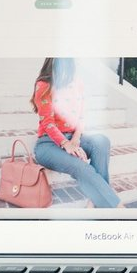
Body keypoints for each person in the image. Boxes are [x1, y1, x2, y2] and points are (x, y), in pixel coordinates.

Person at [29, 58, 121, 208]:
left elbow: (82, 116)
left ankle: (94, 201)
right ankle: (117, 209)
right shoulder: (44, 85)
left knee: (102, 141)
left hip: (73, 137)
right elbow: (47, 123)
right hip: (48, 144)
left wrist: (75, 140)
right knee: (81, 166)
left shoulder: (77, 83)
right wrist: (65, 144)